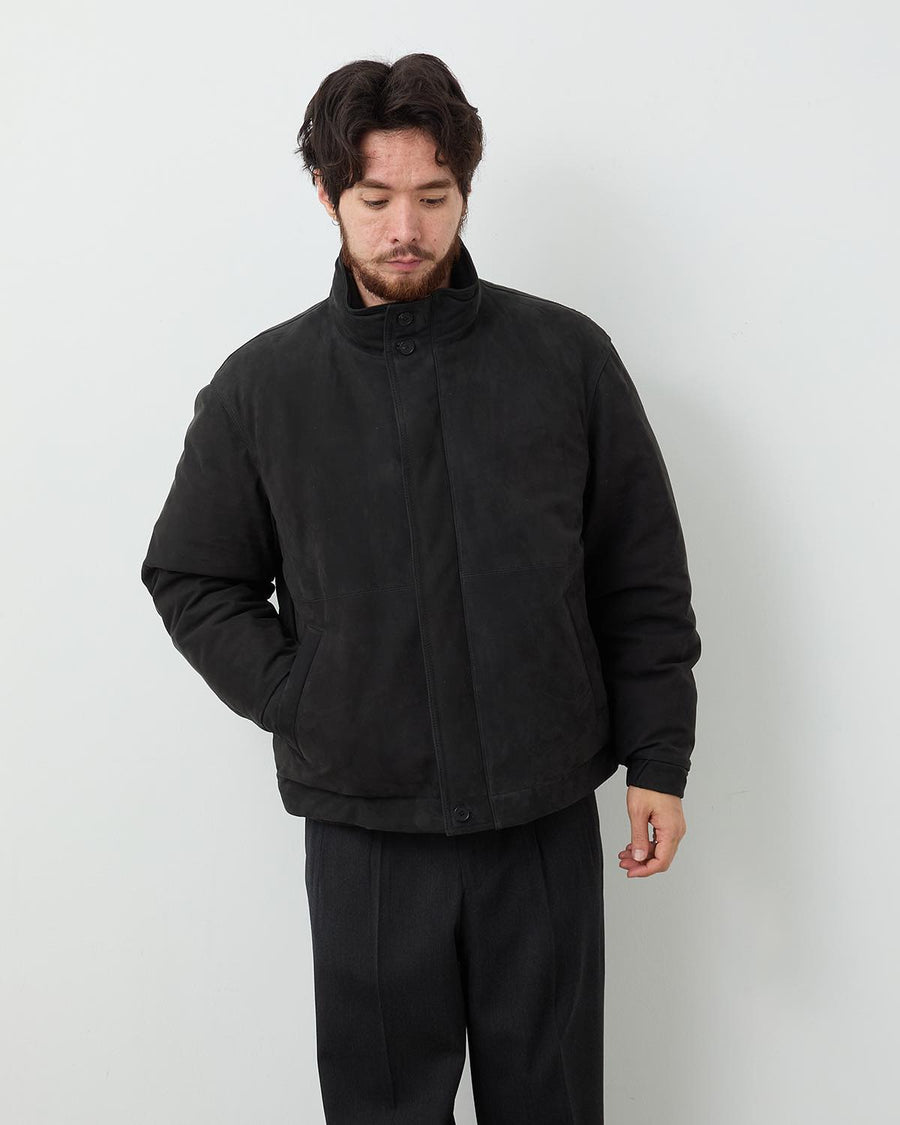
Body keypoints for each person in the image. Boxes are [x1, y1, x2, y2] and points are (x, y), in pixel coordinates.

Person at [140, 52, 701, 1125]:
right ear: (327, 195)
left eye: (434, 197)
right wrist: (304, 696)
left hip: (540, 815)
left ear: (466, 190)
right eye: (375, 198)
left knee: (552, 1105)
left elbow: (640, 572)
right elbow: (193, 574)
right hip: (367, 833)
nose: (407, 227)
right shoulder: (264, 389)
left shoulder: (565, 359)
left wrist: (658, 757)